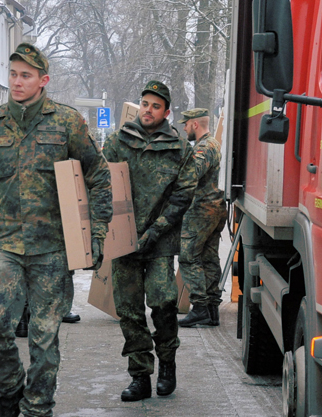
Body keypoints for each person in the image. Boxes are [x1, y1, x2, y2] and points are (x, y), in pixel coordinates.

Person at [0, 43, 112, 417]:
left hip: (52, 250)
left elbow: (98, 175)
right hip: (4, 247)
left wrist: (95, 235)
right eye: (13, 74)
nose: (17, 82)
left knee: (44, 339)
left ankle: (37, 408)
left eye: (26, 76)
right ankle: (12, 389)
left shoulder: (67, 123)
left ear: (43, 81)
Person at [102, 80, 197, 402]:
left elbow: (183, 195)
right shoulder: (118, 142)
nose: (148, 110)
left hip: (159, 242)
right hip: (124, 241)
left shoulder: (179, 148)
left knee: (163, 304)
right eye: (145, 104)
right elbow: (101, 182)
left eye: (156, 106)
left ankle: (167, 363)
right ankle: (140, 375)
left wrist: (154, 231)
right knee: (129, 311)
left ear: (166, 112)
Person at [176, 108, 227, 328]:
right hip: (214, 209)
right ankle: (212, 310)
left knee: (188, 257)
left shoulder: (204, 148)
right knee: (208, 258)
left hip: (201, 210)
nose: (184, 128)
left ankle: (199, 307)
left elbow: (191, 175)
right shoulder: (214, 144)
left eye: (186, 124)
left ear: (195, 124)